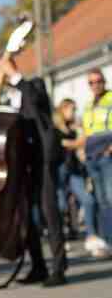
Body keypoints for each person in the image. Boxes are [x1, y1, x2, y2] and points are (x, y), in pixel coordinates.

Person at [0, 53, 67, 286]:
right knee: (26, 216)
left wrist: (14, 75)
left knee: (49, 211)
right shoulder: (3, 97)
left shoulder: (33, 85)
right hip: (19, 163)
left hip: (42, 157)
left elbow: (36, 103)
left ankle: (59, 267)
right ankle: (39, 266)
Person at [56, 98, 105, 256]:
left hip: (73, 170)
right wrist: (79, 140)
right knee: (61, 205)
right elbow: (69, 144)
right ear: (63, 110)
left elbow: (82, 142)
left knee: (88, 200)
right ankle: (60, 239)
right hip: (59, 170)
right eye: (72, 109)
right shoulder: (55, 127)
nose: (74, 113)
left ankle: (91, 236)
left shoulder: (73, 127)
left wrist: (81, 133)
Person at [79, 69, 112, 252]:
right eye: (91, 82)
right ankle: (108, 240)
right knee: (101, 201)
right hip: (92, 157)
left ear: (104, 81)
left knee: (111, 197)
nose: (95, 85)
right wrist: (84, 151)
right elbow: (87, 131)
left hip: (107, 155)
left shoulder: (110, 99)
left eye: (98, 81)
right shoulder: (89, 104)